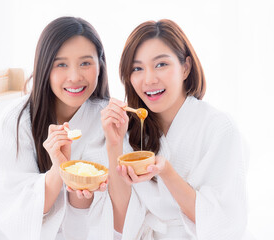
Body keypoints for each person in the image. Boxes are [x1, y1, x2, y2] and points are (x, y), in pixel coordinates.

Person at [0, 16, 113, 239]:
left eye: (85, 63)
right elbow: (11, 209)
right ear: (44, 67)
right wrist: (59, 168)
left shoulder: (109, 117)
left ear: (100, 65)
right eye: (61, 64)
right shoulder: (18, 118)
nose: (75, 76)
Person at [101, 19, 252, 240]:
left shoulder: (219, 128)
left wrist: (167, 173)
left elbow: (224, 224)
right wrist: (113, 145)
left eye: (161, 64)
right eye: (137, 68)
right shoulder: (131, 131)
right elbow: (123, 222)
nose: (149, 79)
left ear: (185, 67)